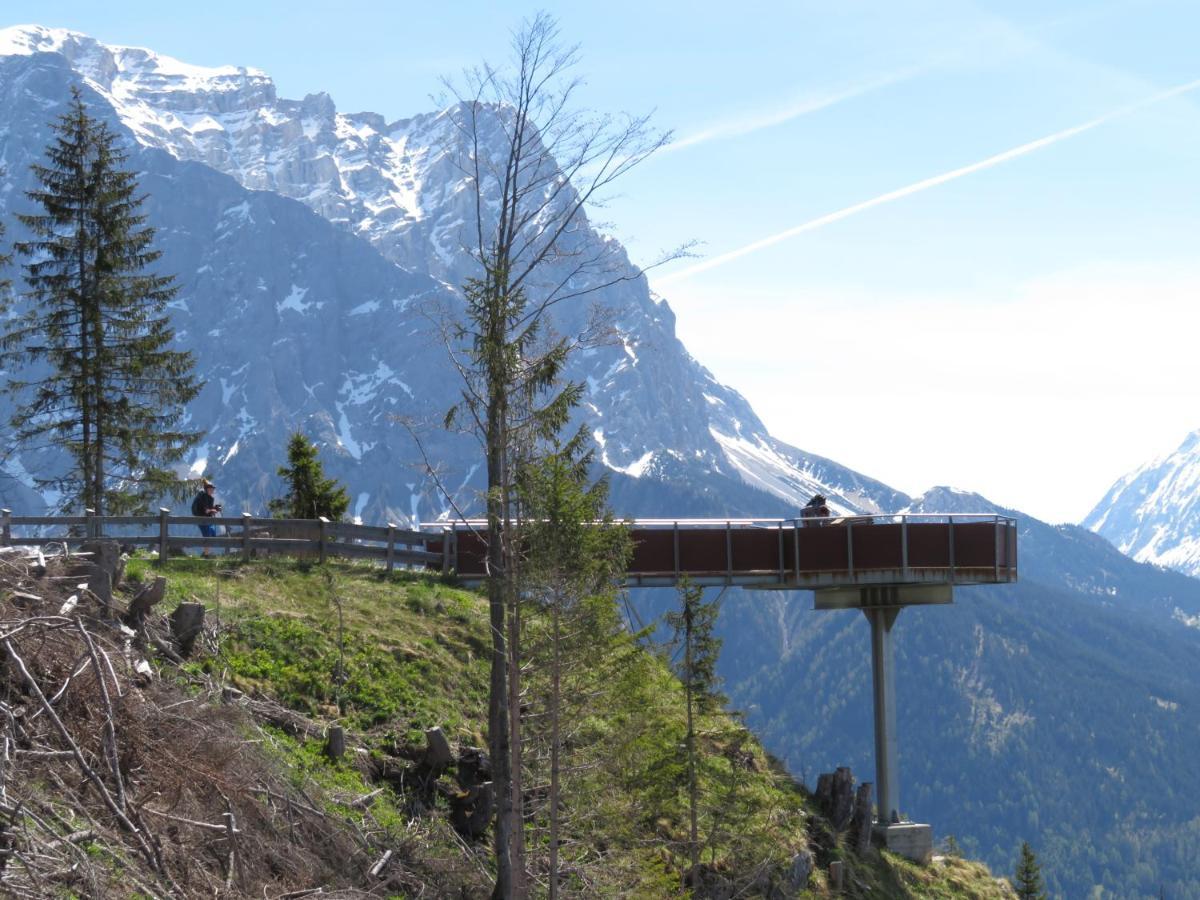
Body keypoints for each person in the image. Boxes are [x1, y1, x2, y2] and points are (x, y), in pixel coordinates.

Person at [191, 479, 222, 556]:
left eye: (213, 489)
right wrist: (213, 510)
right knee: (208, 535)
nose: (212, 490)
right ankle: (206, 555)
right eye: (211, 489)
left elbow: (209, 509)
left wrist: (215, 508)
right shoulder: (203, 497)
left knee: (211, 534)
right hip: (202, 519)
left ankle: (205, 553)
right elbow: (206, 510)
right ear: (207, 489)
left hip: (207, 519)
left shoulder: (208, 497)